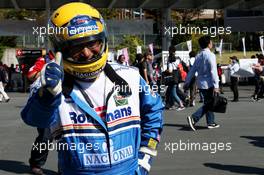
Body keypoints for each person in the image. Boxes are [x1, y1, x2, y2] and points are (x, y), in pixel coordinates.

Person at [21, 2, 164, 175]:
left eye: (92, 43)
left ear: (103, 40)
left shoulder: (131, 76)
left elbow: (154, 115)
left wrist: (144, 160)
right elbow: (34, 119)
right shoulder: (50, 84)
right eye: (76, 46)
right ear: (59, 49)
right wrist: (47, 97)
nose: (87, 53)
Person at [27, 52, 54, 175]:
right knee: (45, 136)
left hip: (65, 101)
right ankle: (36, 163)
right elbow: (31, 75)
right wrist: (45, 71)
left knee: (67, 137)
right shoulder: (44, 60)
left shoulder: (70, 58)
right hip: (44, 102)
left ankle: (65, 166)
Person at [184, 35, 220, 131]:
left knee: (209, 102)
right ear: (208, 44)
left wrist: (187, 81)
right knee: (209, 103)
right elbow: (213, 71)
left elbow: (192, 70)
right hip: (209, 83)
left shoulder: (198, 55)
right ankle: (194, 118)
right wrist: (216, 85)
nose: (212, 43)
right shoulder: (211, 55)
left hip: (200, 83)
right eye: (211, 42)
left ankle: (211, 122)